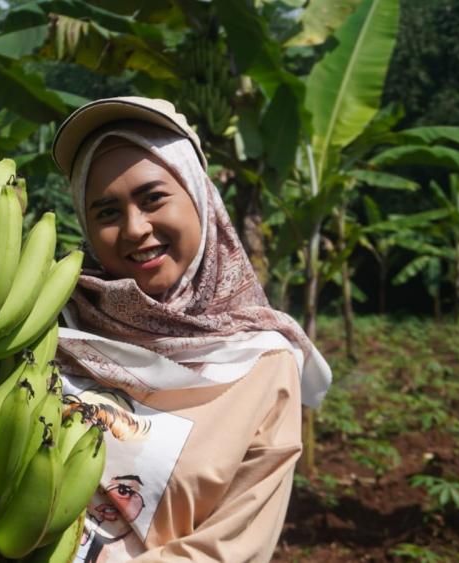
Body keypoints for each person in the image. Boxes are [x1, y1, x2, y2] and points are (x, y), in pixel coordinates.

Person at [50, 97, 332, 562]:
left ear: (200, 198)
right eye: (106, 212)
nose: (135, 229)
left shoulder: (262, 364)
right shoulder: (52, 327)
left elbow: (232, 548)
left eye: (152, 198)